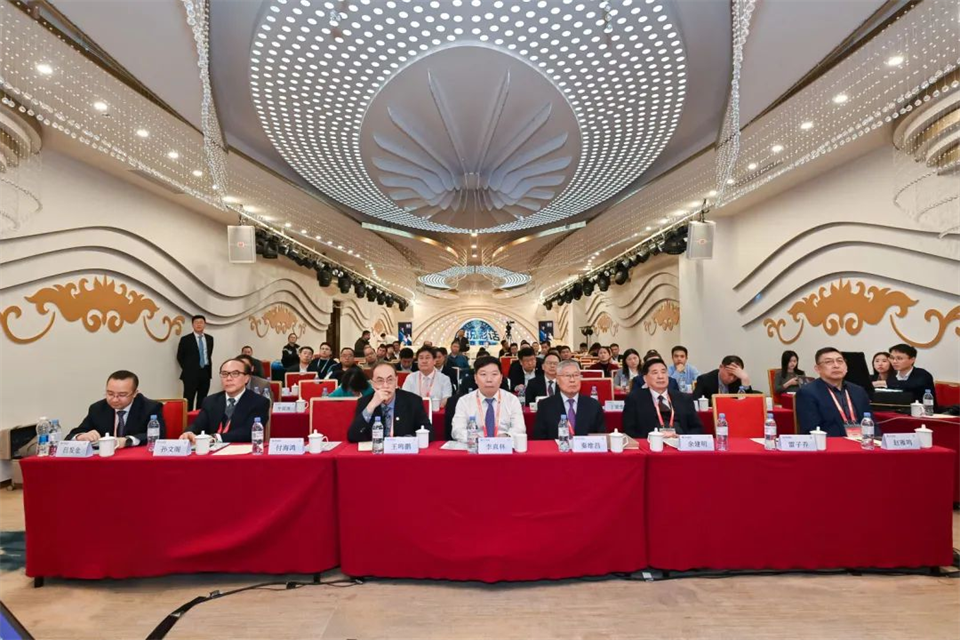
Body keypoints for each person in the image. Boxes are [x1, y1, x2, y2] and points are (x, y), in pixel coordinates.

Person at [181, 359, 270, 444]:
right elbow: (198, 425)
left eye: (235, 374)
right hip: (211, 451)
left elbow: (248, 432)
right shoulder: (210, 401)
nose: (228, 378)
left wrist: (216, 438)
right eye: (224, 374)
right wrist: (189, 432)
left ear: (246, 378)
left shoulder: (259, 402)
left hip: (241, 451)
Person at [67, 370, 165, 447]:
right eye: (110, 393)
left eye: (122, 395)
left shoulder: (150, 408)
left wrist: (127, 441)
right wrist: (80, 437)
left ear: (135, 393)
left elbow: (159, 435)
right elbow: (71, 435)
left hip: (134, 460)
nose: (114, 399)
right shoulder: (97, 408)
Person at [796, 347, 873, 437]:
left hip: (863, 442)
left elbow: (872, 423)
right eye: (829, 362)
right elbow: (811, 429)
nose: (836, 365)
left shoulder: (859, 391)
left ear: (846, 367)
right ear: (817, 369)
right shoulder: (807, 393)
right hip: (830, 443)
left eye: (840, 361)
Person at [348, 362, 432, 442]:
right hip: (375, 451)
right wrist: (371, 406)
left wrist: (405, 441)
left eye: (390, 380)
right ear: (373, 384)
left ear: (396, 381)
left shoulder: (413, 401)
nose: (385, 386)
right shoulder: (365, 402)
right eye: (380, 381)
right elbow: (353, 436)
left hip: (401, 450)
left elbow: (429, 432)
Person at [623, 358, 703, 439]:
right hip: (651, 443)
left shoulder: (684, 398)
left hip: (679, 443)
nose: (660, 376)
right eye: (655, 373)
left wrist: (683, 439)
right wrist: (653, 438)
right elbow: (629, 430)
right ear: (645, 379)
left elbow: (697, 428)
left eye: (663, 372)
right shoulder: (634, 399)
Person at [451, 356, 526, 442]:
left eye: (494, 374)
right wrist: (475, 438)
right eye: (483, 374)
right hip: (475, 446)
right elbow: (457, 430)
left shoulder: (512, 400)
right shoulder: (464, 401)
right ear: (475, 378)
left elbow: (520, 428)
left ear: (501, 378)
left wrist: (507, 436)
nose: (489, 379)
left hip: (503, 446)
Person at [533, 360, 606, 439]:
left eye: (576, 375)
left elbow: (601, 438)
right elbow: (539, 439)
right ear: (557, 379)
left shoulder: (594, 405)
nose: (572, 380)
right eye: (567, 376)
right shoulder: (545, 406)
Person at [176, 314, 214, 411]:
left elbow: (208, 355)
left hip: (205, 373)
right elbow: (180, 357)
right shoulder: (185, 339)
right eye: (196, 322)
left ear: (205, 324)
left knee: (203, 400)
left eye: (201, 322)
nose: (199, 324)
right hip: (190, 375)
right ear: (192, 324)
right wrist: (189, 369)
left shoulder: (210, 339)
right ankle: (187, 419)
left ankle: (200, 418)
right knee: (189, 399)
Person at [693, 355, 760, 402]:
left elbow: (749, 403)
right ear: (721, 367)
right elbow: (695, 400)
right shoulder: (704, 379)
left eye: (735, 376)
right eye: (730, 374)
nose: (732, 379)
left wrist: (745, 379)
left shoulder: (739, 379)